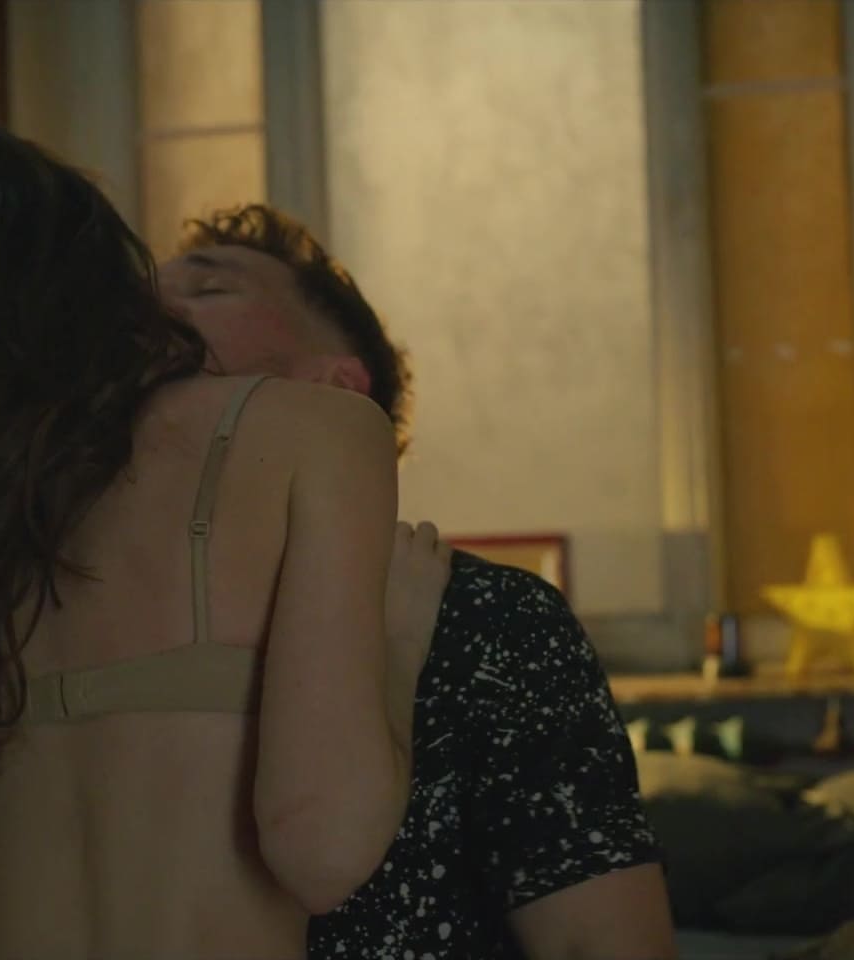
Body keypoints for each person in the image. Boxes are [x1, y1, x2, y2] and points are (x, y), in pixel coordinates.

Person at [0, 113, 453, 960]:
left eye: (206, 285)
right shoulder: (315, 433)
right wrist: (398, 649)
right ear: (87, 261)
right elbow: (322, 849)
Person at [160, 204, 678, 960]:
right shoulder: (77, 615)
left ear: (338, 389)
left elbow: (600, 943)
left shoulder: (486, 624)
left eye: (209, 290)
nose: (154, 309)